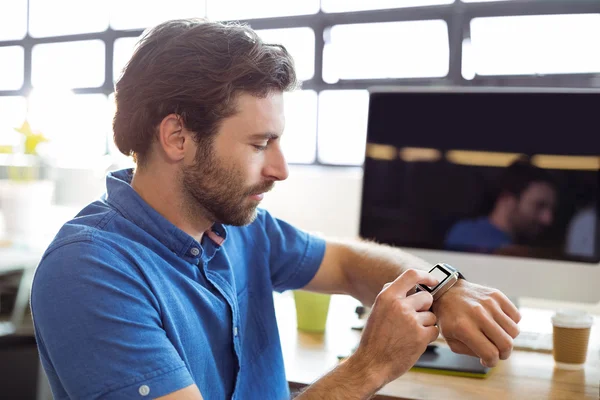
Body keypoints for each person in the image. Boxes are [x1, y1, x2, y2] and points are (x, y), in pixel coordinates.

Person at [30, 19, 521, 400]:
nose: (281, 169)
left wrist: (445, 288)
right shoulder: (89, 270)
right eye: (260, 143)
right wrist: (369, 365)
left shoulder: (237, 225)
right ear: (177, 137)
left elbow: (349, 265)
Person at [445, 159, 557, 254]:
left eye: (551, 209)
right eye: (539, 206)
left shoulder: (462, 231)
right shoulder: (467, 237)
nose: (547, 219)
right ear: (508, 199)